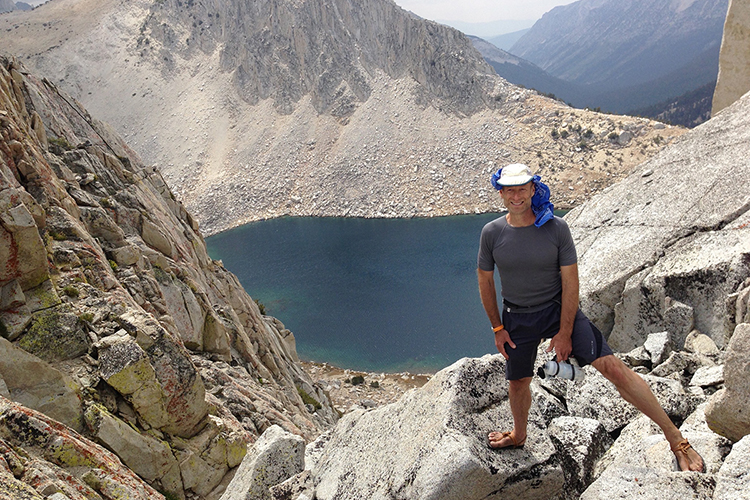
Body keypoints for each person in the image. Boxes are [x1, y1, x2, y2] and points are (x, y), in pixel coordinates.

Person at [476, 163, 704, 472]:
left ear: (532, 189)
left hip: (557, 310)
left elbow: (571, 282)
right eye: (510, 190)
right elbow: (485, 281)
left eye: (522, 189)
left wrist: (565, 331)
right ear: (501, 193)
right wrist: (498, 327)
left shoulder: (555, 228)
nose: (517, 196)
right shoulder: (491, 233)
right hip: (517, 316)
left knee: (613, 368)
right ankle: (518, 435)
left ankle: (676, 438)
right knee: (518, 382)